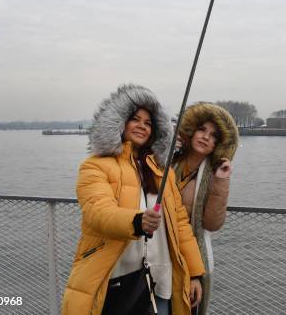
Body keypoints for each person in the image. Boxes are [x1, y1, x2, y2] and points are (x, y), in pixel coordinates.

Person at [62, 84, 205, 315]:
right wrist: (137, 222)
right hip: (116, 281)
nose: (142, 126)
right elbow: (97, 212)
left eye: (148, 123)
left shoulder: (163, 172)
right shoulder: (95, 166)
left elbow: (180, 226)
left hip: (161, 281)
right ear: (120, 122)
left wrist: (195, 274)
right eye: (135, 119)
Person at [172, 103, 239, 315]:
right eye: (202, 130)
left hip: (190, 256)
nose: (205, 137)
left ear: (217, 145)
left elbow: (212, 224)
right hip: (158, 251)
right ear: (192, 131)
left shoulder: (213, 173)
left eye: (213, 136)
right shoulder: (168, 161)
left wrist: (221, 180)